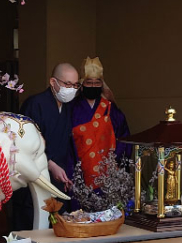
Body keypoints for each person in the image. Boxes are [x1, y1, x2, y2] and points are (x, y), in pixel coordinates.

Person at [11, 62, 79, 230]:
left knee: (56, 229)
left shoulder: (69, 107)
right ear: (52, 82)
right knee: (31, 228)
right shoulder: (35, 104)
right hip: (33, 177)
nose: (71, 89)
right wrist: (50, 163)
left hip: (57, 181)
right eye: (67, 84)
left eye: (75, 85)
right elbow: (25, 145)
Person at [68, 57, 130, 187]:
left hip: (108, 172)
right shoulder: (72, 108)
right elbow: (66, 143)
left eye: (97, 83)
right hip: (81, 173)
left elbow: (124, 138)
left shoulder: (110, 109)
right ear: (82, 84)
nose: (93, 86)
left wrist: (115, 160)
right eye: (89, 82)